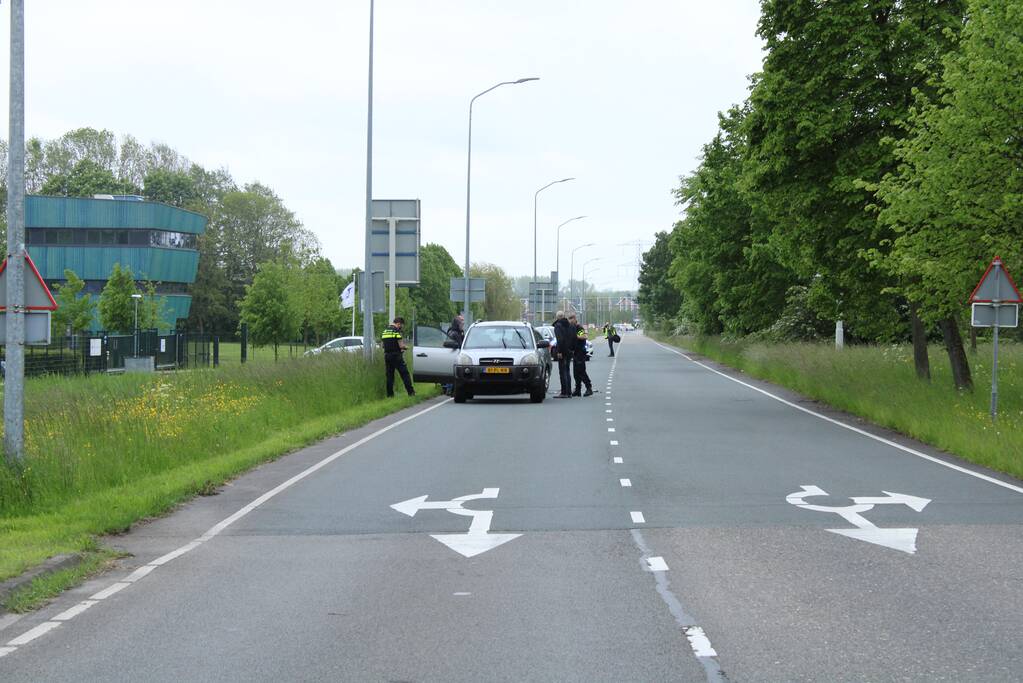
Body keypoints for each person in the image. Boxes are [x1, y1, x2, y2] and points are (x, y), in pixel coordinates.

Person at [382, 316, 415, 397]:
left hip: (387, 356)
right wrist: (406, 347)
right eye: (401, 325)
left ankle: (390, 395)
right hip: (396, 356)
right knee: (405, 374)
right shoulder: (396, 331)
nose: (401, 327)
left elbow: (383, 345)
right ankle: (411, 393)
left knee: (390, 376)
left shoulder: (385, 331)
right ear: (399, 324)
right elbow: (401, 345)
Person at [552, 311, 575, 398]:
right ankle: (569, 392)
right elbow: (573, 338)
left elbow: (560, 340)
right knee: (567, 371)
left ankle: (564, 392)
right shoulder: (570, 325)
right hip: (569, 351)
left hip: (563, 351)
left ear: (557, 317)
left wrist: (559, 352)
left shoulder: (558, 326)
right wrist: (572, 349)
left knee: (562, 371)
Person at [569, 314, 593, 396]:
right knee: (575, 373)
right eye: (569, 319)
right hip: (575, 352)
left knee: (581, 371)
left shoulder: (579, 327)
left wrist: (575, 336)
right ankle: (578, 389)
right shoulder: (572, 328)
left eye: (571, 319)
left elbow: (583, 336)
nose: (570, 321)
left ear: (575, 319)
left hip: (580, 352)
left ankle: (589, 388)